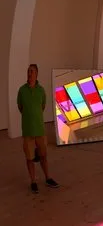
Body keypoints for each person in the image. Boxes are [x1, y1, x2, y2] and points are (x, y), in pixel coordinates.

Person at [17, 64, 59, 193]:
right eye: (28, 71)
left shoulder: (41, 91)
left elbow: (43, 106)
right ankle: (33, 181)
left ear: (37, 74)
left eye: (32, 71)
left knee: (43, 155)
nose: (29, 74)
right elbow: (20, 107)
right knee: (29, 157)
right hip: (28, 131)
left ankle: (47, 178)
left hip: (40, 130)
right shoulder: (22, 90)